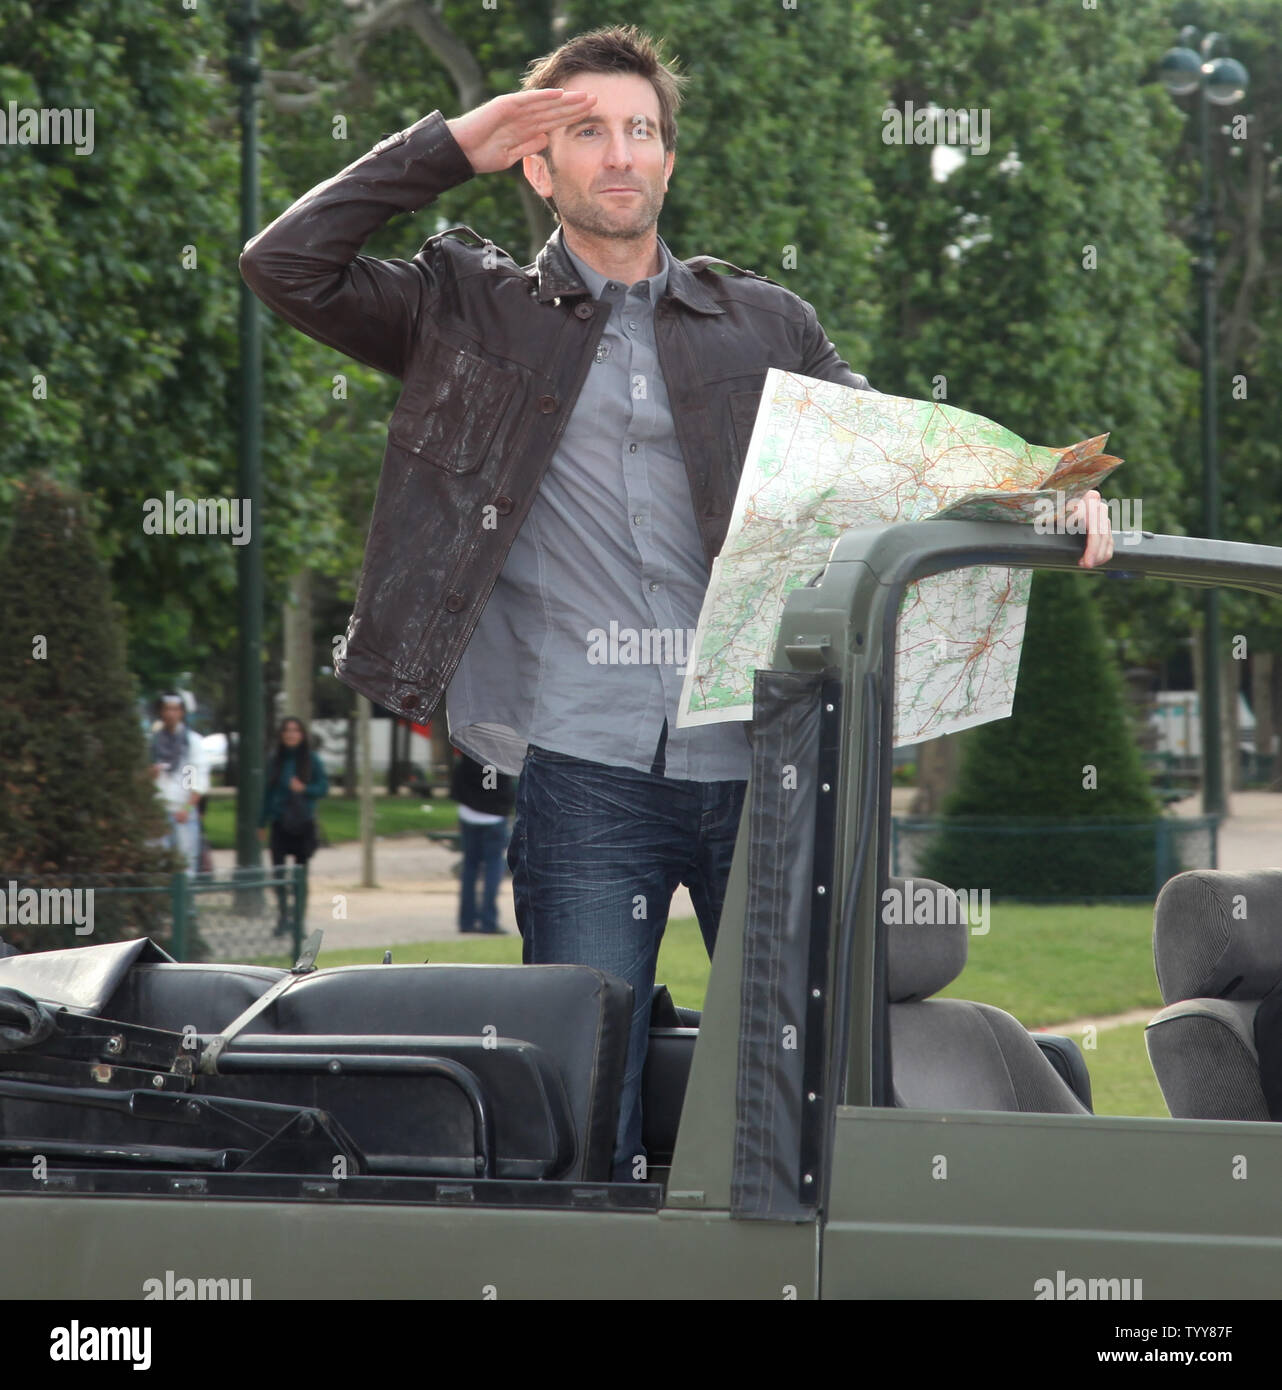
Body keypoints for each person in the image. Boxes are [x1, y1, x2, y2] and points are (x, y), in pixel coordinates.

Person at [240, 25, 1114, 1180]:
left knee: (814, 1090)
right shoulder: (464, 309)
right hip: (583, 768)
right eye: (584, 131)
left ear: (667, 159)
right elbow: (283, 264)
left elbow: (899, 462)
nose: (618, 154)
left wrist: (1040, 499)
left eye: (639, 130)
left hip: (769, 761)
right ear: (538, 167)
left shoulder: (766, 324)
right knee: (580, 1102)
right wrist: (448, 145)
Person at [258, 716, 329, 934]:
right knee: (278, 874)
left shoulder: (312, 760)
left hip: (303, 823)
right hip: (280, 822)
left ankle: (298, 922)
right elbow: (268, 794)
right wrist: (261, 822)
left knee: (300, 875)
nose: (291, 734)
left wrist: (304, 789)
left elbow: (323, 788)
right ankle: (282, 918)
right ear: (281, 735)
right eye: (287, 730)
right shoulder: (275, 760)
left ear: (302, 735)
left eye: (295, 730)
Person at [450, 749, 515, 935]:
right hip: (492, 815)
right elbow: (491, 782)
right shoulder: (497, 747)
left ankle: (466, 920)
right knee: (492, 868)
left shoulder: (469, 741)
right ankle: (488, 921)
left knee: (470, 866)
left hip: (469, 811)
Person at [150, 693, 208, 876]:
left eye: (175, 710)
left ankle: (185, 905)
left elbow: (194, 776)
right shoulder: (153, 741)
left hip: (182, 811)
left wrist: (187, 806)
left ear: (181, 713)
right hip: (158, 809)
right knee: (157, 864)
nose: (171, 714)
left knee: (185, 865)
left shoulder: (190, 742)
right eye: (167, 709)